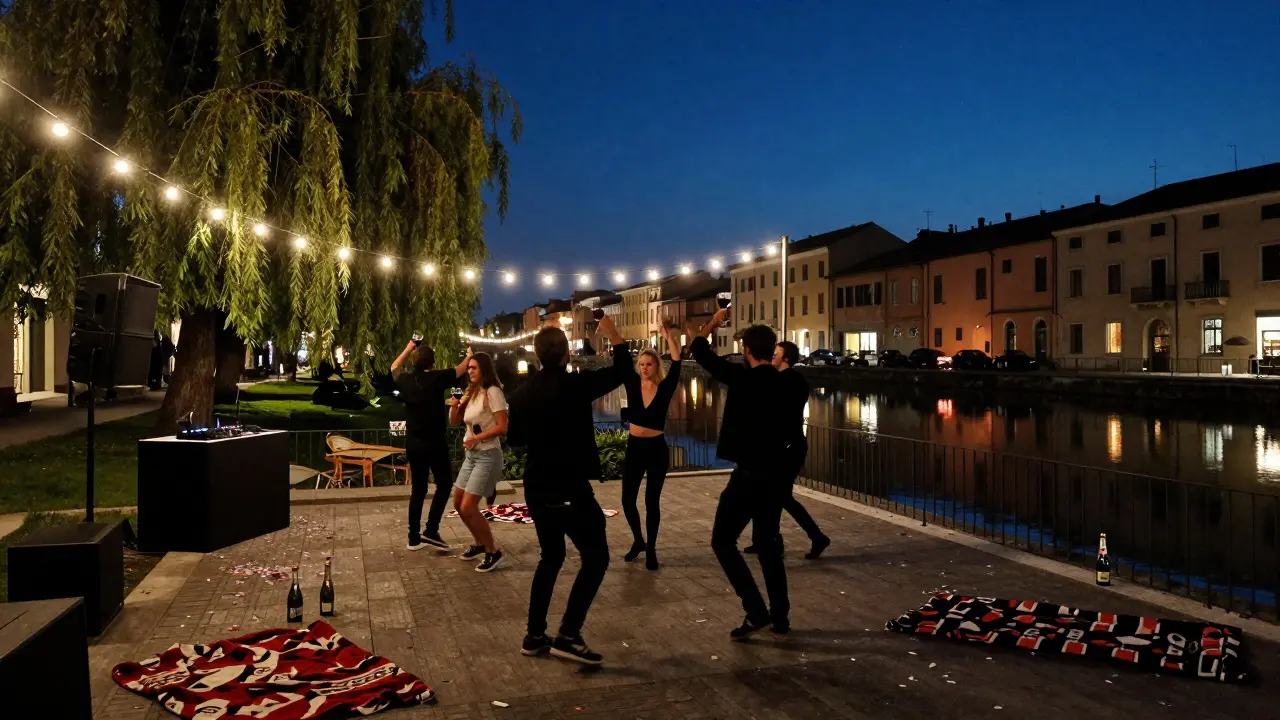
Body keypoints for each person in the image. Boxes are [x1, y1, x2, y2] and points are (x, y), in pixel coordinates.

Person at [506, 315, 629, 665]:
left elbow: (515, 440)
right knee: (596, 558)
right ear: (566, 354)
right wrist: (613, 334)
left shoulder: (522, 393)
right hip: (570, 487)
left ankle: (534, 635)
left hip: (537, 487)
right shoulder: (576, 385)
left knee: (551, 557)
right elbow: (622, 370)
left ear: (537, 354)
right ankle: (568, 634)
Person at [688, 309, 791, 638]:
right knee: (768, 545)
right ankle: (780, 617)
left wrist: (713, 322)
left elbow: (699, 350)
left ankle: (756, 610)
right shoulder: (785, 384)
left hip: (748, 475)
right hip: (775, 475)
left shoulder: (741, 378)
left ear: (746, 350)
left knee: (722, 541)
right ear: (771, 350)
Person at [744, 341, 830, 559]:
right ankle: (766, 539)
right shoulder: (781, 379)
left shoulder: (791, 380)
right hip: (781, 447)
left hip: (790, 448)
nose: (772, 356)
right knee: (769, 494)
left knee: (779, 496)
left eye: (776, 353)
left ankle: (812, 537)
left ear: (786, 358)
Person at [392, 338, 469, 552]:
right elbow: (462, 368)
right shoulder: (438, 378)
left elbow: (394, 367)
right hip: (435, 442)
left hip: (413, 442)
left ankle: (413, 538)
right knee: (444, 484)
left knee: (418, 489)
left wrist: (408, 347)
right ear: (432, 362)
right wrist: (470, 352)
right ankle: (431, 529)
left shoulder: (406, 380)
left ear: (414, 360)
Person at [619, 324, 682, 570]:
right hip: (635, 447)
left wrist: (669, 338)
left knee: (651, 501)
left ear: (656, 366)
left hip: (656, 449)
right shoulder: (632, 383)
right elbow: (621, 360)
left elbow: (676, 363)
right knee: (627, 500)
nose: (645, 368)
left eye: (649, 364)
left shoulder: (665, 388)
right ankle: (639, 541)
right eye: (642, 364)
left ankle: (652, 550)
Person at [448, 351, 508, 573]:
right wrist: (455, 405)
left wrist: (477, 438)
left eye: (473, 367)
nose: (469, 371)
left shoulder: (493, 392)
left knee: (468, 506)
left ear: (484, 369)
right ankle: (479, 543)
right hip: (471, 455)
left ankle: (493, 551)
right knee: (457, 503)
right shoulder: (471, 391)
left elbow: (502, 427)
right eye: (469, 368)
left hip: (488, 454)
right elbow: (454, 421)